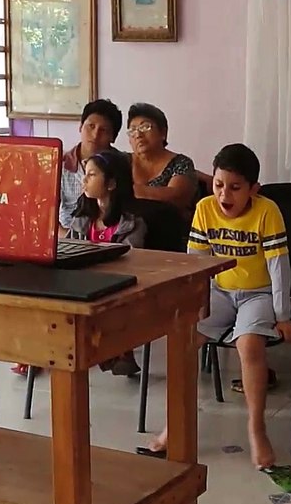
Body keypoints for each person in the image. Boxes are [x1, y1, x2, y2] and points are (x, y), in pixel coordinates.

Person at [140, 144, 291, 493]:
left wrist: (283, 314)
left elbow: (278, 267)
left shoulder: (267, 212)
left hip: (258, 294)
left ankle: (256, 429)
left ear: (253, 189)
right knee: (183, 339)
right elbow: (195, 262)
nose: (223, 195)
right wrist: (196, 301)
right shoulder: (204, 209)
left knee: (249, 345)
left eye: (234, 187)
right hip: (218, 289)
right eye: (217, 185)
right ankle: (175, 426)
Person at [14, 149, 146, 377]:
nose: (84, 180)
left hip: (114, 286)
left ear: (112, 183)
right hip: (81, 283)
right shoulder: (83, 218)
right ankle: (34, 351)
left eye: (92, 175)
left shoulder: (133, 223)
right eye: (86, 174)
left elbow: (133, 261)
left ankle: (116, 350)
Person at [58, 99, 124, 232]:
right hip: (68, 237)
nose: (95, 135)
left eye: (103, 130)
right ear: (80, 126)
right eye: (91, 126)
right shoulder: (60, 164)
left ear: (113, 137)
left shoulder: (122, 165)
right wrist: (68, 238)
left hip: (109, 236)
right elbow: (47, 213)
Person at [127, 102, 197, 214]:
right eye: (132, 130)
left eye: (145, 127)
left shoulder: (181, 162)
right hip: (125, 228)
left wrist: (128, 191)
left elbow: (176, 197)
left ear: (163, 133)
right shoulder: (122, 161)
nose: (138, 134)